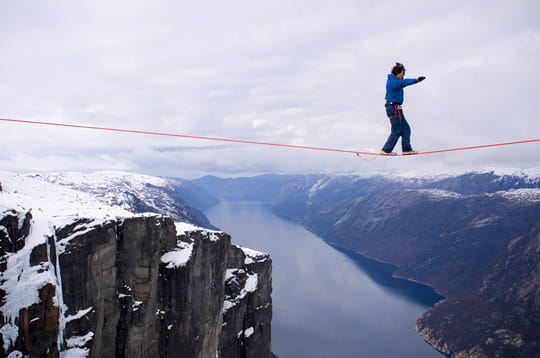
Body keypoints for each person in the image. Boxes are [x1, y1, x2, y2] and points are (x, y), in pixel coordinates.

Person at [381, 62, 425, 155]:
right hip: (393, 108)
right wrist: (416, 80)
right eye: (403, 73)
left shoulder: (393, 80)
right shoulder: (394, 82)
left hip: (395, 108)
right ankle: (386, 150)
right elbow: (404, 82)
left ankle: (406, 149)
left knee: (405, 129)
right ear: (399, 72)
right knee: (396, 130)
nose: (403, 76)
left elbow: (402, 81)